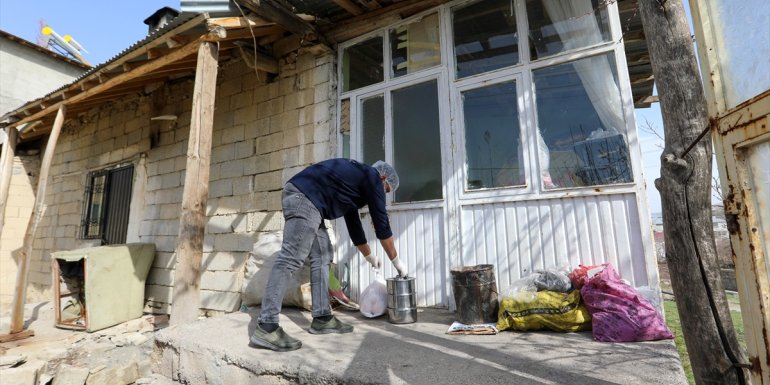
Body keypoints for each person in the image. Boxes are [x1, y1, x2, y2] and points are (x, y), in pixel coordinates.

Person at [249, 158, 406, 352]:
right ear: (383, 177)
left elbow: (354, 225)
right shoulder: (372, 177)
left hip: (310, 201)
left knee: (323, 255)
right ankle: (267, 326)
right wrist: (397, 261)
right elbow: (381, 223)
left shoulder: (355, 184)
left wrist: (369, 257)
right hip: (304, 198)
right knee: (291, 257)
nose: (383, 194)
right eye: (386, 190)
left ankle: (322, 318)